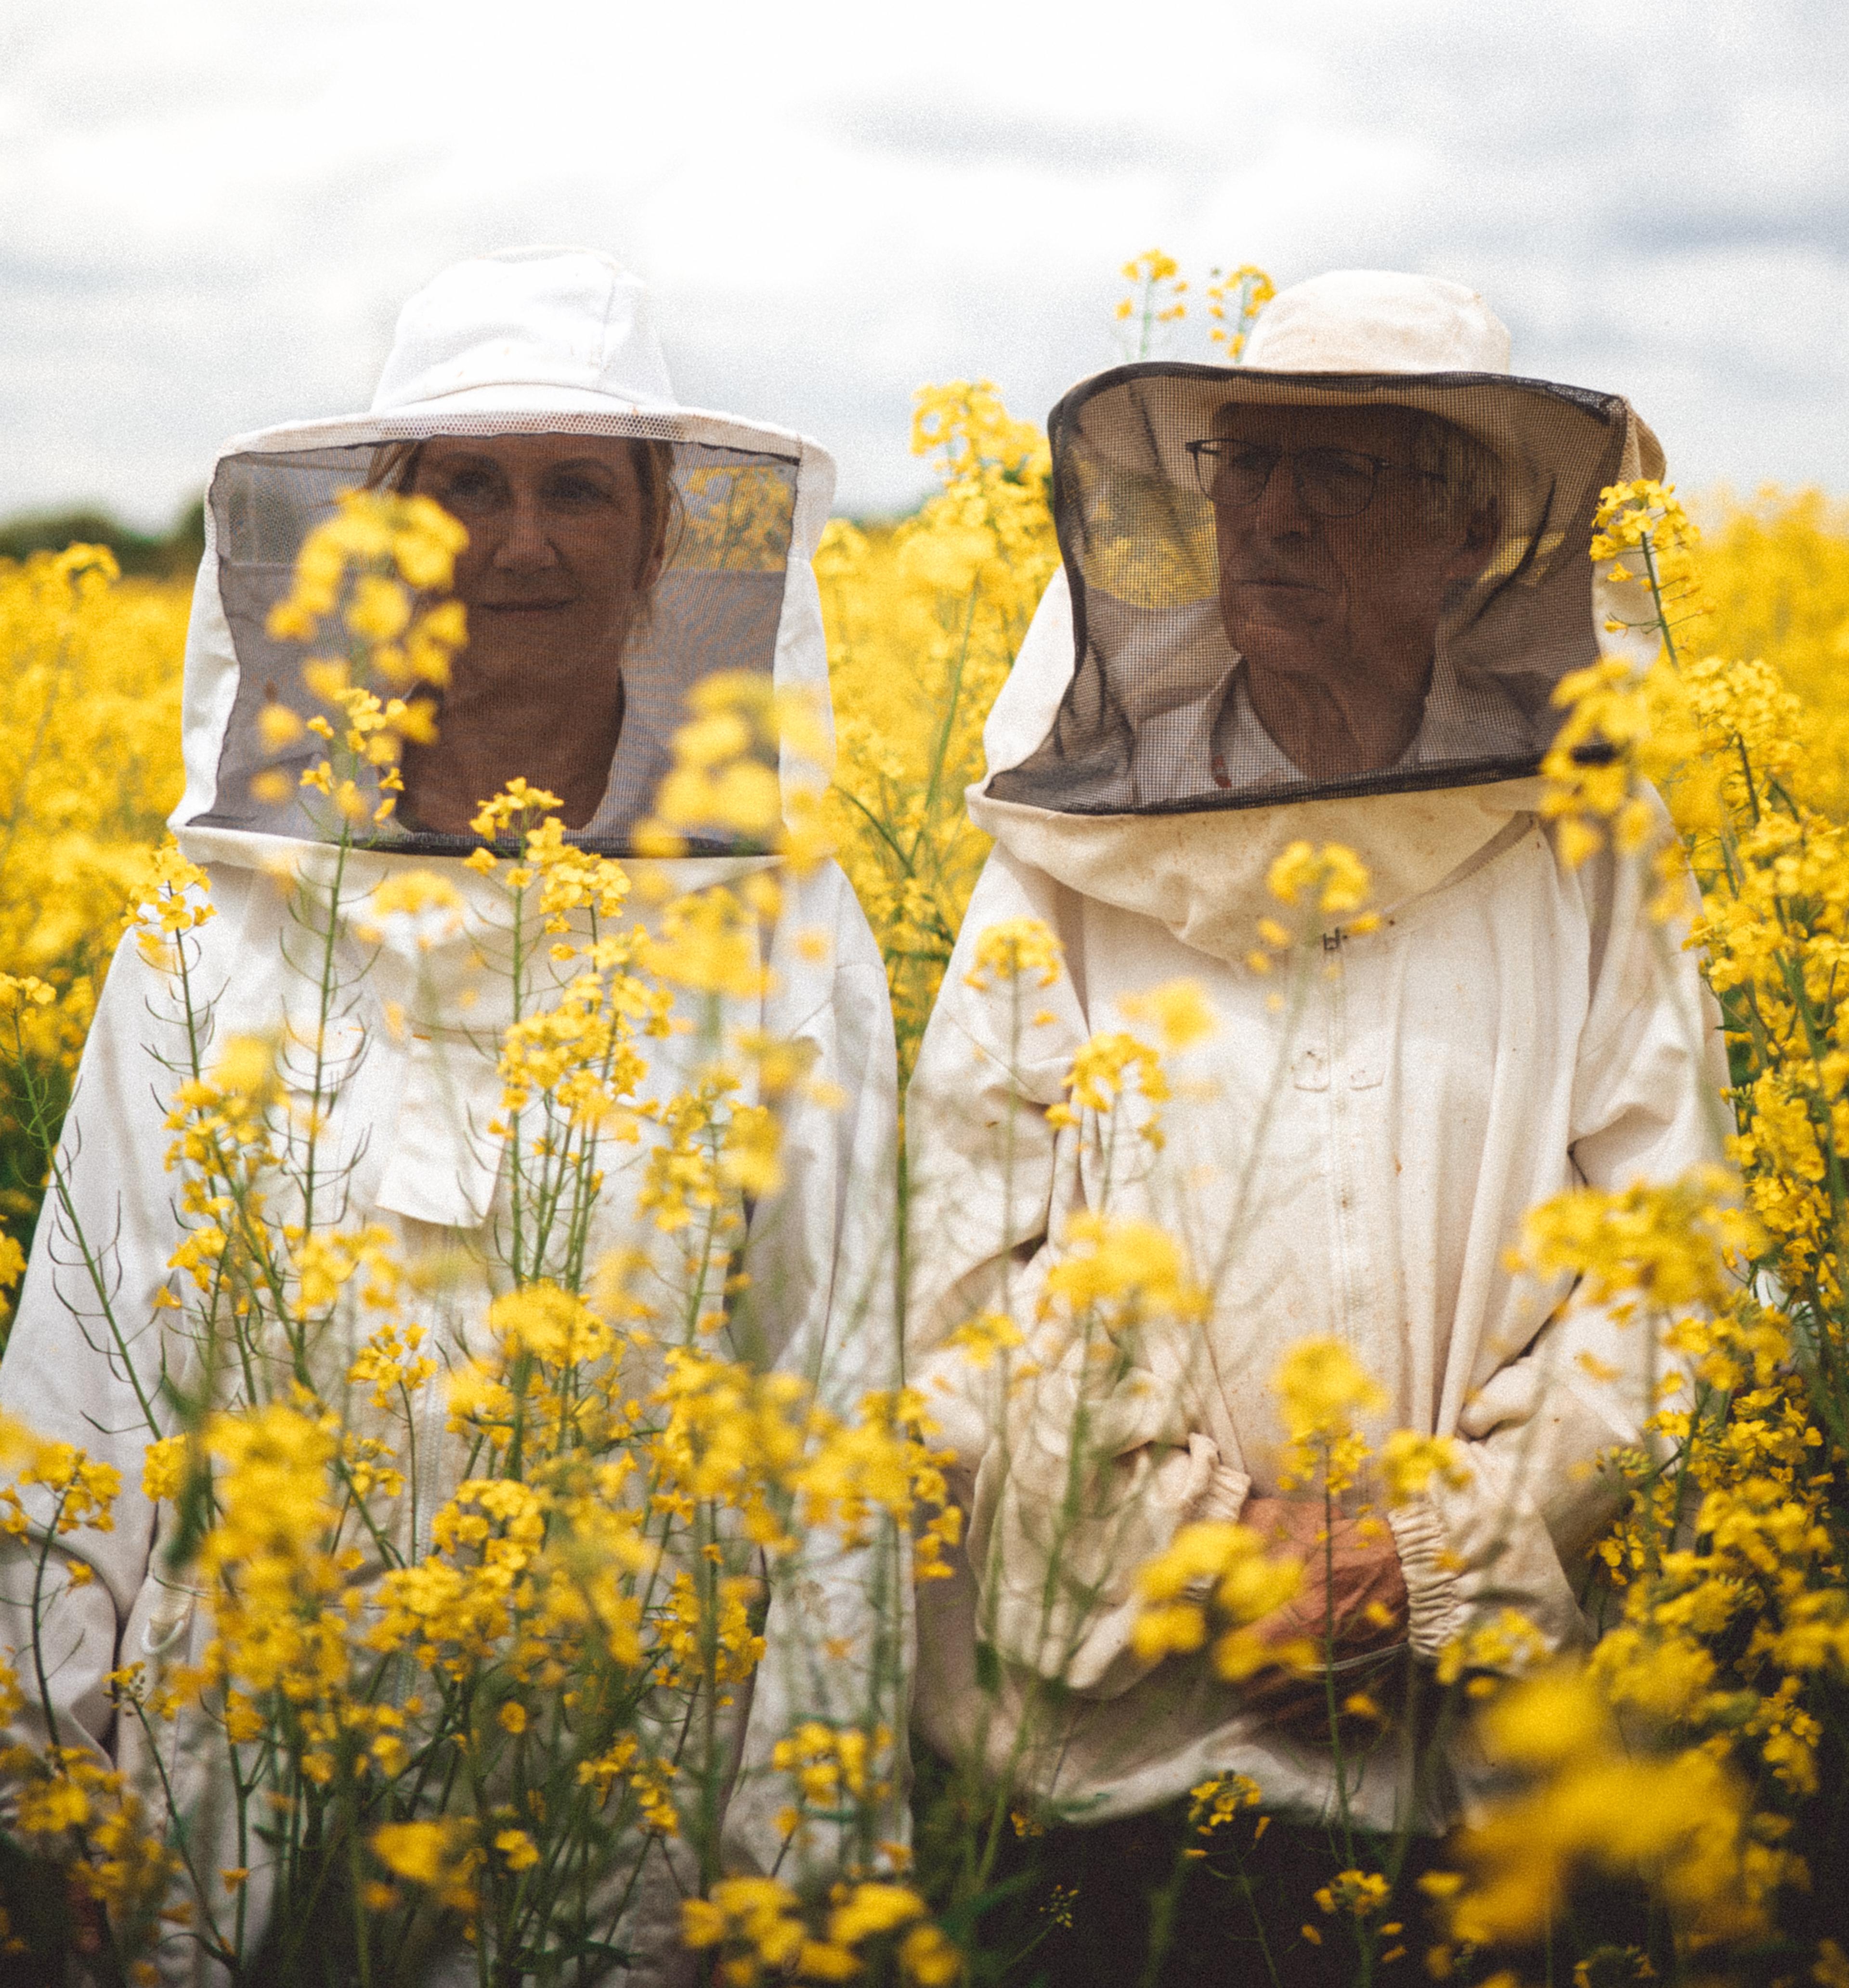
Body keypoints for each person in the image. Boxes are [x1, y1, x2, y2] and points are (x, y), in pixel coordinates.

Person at [0, 247, 901, 1981]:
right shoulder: (211, 925)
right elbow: (78, 1374)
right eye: (466, 488)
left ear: (657, 543)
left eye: (581, 488)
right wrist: (47, 1786)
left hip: (624, 1797)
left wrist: (800, 1865)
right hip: (238, 1775)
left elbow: (832, 1406)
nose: (523, 542)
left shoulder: (787, 930)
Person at [905, 270, 1725, 1975]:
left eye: (1340, 471)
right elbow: (958, 1276)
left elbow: (1679, 1260)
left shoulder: (1594, 847)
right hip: (1115, 1772)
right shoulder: (1062, 860)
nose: (1270, 514)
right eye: (1245, 465)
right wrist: (1200, 1552)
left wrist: (1429, 1555)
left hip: (1488, 1786)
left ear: (1473, 530)